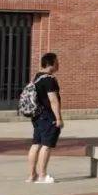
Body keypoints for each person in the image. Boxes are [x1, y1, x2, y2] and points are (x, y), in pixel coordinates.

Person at [26, 52, 63, 183]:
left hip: (37, 116)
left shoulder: (36, 77)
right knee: (46, 145)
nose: (58, 64)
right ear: (50, 63)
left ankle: (32, 176)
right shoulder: (49, 79)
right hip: (48, 116)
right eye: (57, 61)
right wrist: (58, 118)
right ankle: (42, 175)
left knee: (36, 144)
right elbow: (53, 100)